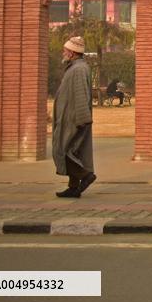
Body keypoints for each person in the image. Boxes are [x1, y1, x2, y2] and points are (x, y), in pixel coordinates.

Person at [52, 36, 96, 198]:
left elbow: (81, 95)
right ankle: (73, 187)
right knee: (72, 151)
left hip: (74, 119)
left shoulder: (78, 69)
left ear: (72, 52)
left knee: (63, 150)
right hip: (69, 117)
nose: (63, 52)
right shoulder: (75, 68)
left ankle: (85, 175)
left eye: (65, 50)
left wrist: (82, 119)